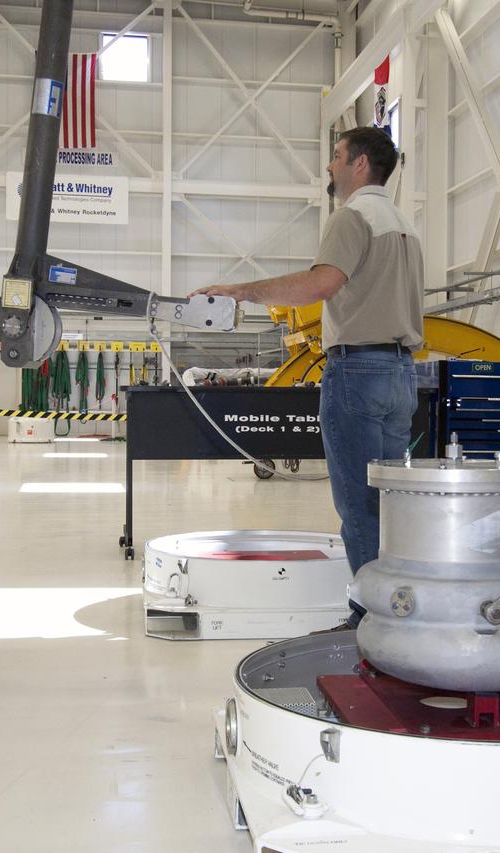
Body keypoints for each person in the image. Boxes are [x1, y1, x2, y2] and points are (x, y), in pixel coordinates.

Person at [192, 126, 423, 627]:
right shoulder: (404, 224)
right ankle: (398, 607)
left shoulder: (353, 216)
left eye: (337, 156)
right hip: (401, 372)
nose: (330, 166)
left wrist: (241, 291)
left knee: (359, 505)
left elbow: (322, 284)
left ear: (360, 164)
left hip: (358, 372)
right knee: (390, 503)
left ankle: (371, 618)